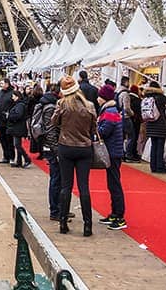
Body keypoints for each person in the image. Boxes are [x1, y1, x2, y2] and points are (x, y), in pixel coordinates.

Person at [52, 75, 96, 237]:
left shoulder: (62, 105)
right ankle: (87, 225)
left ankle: (63, 222)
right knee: (84, 186)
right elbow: (93, 128)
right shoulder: (89, 105)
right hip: (84, 148)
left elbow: (53, 122)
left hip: (66, 147)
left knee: (66, 186)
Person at [96, 83, 127, 231]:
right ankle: (114, 213)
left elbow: (103, 131)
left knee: (115, 184)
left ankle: (119, 216)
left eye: (99, 96)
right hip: (114, 151)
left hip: (113, 152)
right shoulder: (111, 110)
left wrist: (95, 129)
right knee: (112, 183)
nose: (97, 99)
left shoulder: (109, 112)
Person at [36, 83, 66, 221]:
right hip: (52, 148)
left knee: (58, 178)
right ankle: (55, 210)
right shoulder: (50, 107)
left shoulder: (49, 104)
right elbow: (50, 130)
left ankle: (59, 207)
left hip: (51, 146)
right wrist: (56, 149)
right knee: (56, 178)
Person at [143, 80, 166, 174]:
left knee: (154, 146)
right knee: (160, 147)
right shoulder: (160, 97)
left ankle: (153, 166)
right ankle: (160, 167)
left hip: (150, 124)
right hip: (160, 125)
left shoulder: (146, 97)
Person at [6, 90, 31, 168]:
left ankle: (27, 159)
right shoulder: (19, 105)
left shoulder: (19, 105)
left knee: (17, 145)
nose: (12, 97)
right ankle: (19, 161)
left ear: (17, 96)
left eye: (13, 96)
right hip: (17, 127)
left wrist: (9, 116)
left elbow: (18, 115)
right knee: (17, 144)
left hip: (18, 127)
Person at [115, 76, 136, 164]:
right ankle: (128, 155)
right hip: (126, 117)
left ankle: (121, 154)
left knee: (122, 136)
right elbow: (126, 107)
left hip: (118, 116)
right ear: (126, 82)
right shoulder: (125, 94)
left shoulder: (117, 91)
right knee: (131, 136)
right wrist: (132, 113)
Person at [0, 79, 15, 164]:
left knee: (9, 139)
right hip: (0, 120)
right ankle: (5, 156)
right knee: (2, 139)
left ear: (7, 84)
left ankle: (11, 157)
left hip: (8, 120)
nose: (1, 84)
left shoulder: (12, 93)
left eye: (2, 83)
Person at [124, 84, 143, 162]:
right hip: (135, 120)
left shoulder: (128, 97)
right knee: (133, 137)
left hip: (128, 119)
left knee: (129, 137)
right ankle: (131, 154)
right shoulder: (138, 100)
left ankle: (129, 153)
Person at [27, 84, 44, 158]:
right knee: (41, 135)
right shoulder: (43, 99)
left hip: (33, 118)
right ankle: (41, 151)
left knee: (34, 134)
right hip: (41, 119)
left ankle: (36, 149)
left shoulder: (31, 99)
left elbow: (28, 109)